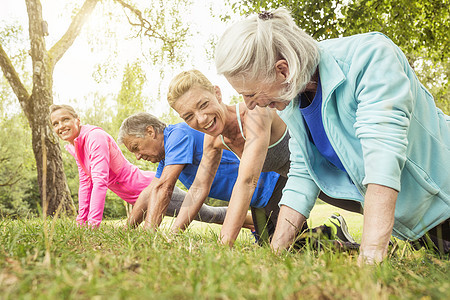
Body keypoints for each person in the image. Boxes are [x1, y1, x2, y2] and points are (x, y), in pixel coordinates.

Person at [214, 8, 450, 263]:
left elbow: (383, 158)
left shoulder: (369, 58)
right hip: (422, 229)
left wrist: (370, 259)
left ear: (283, 70)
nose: (248, 105)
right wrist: (275, 255)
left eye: (250, 94)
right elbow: (303, 174)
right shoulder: (292, 98)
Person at [167, 69, 359, 247]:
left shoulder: (254, 114)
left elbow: (247, 181)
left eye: (203, 105)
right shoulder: (213, 140)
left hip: (332, 164)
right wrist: (174, 234)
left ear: (217, 93)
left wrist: (224, 244)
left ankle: (347, 233)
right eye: (188, 116)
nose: (201, 119)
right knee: (291, 247)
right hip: (306, 179)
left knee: (371, 206)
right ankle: (350, 241)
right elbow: (199, 188)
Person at [118, 112, 354, 246]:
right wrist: (130, 230)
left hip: (273, 186)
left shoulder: (177, 135)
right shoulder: (165, 158)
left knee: (293, 248)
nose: (138, 155)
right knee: (270, 245)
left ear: (151, 131)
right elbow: (151, 191)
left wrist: (151, 235)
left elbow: (165, 187)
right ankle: (329, 232)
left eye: (137, 147)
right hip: (258, 200)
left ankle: (334, 231)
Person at [49, 104, 228, 228]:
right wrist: (82, 222)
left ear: (77, 120)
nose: (61, 126)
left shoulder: (94, 137)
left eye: (65, 119)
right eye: (55, 123)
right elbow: (85, 184)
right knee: (208, 215)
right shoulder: (77, 147)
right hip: (141, 194)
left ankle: (253, 223)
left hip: (147, 188)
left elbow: (99, 182)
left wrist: (93, 224)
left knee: (209, 215)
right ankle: (254, 223)